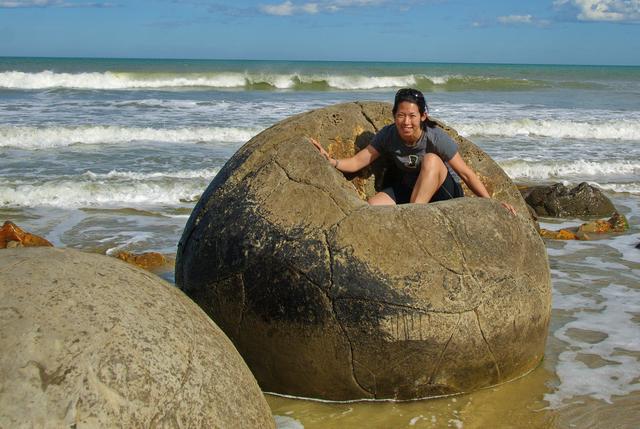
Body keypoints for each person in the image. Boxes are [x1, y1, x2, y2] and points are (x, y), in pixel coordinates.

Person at [310, 88, 516, 213]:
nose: (406, 121)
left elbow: (465, 173)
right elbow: (358, 161)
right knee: (371, 208)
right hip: (410, 188)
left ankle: (413, 218)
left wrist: (492, 204)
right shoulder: (389, 135)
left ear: (423, 116)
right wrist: (332, 162)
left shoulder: (435, 137)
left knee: (431, 160)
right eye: (401, 115)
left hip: (442, 192)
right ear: (394, 115)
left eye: (412, 115)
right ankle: (412, 211)